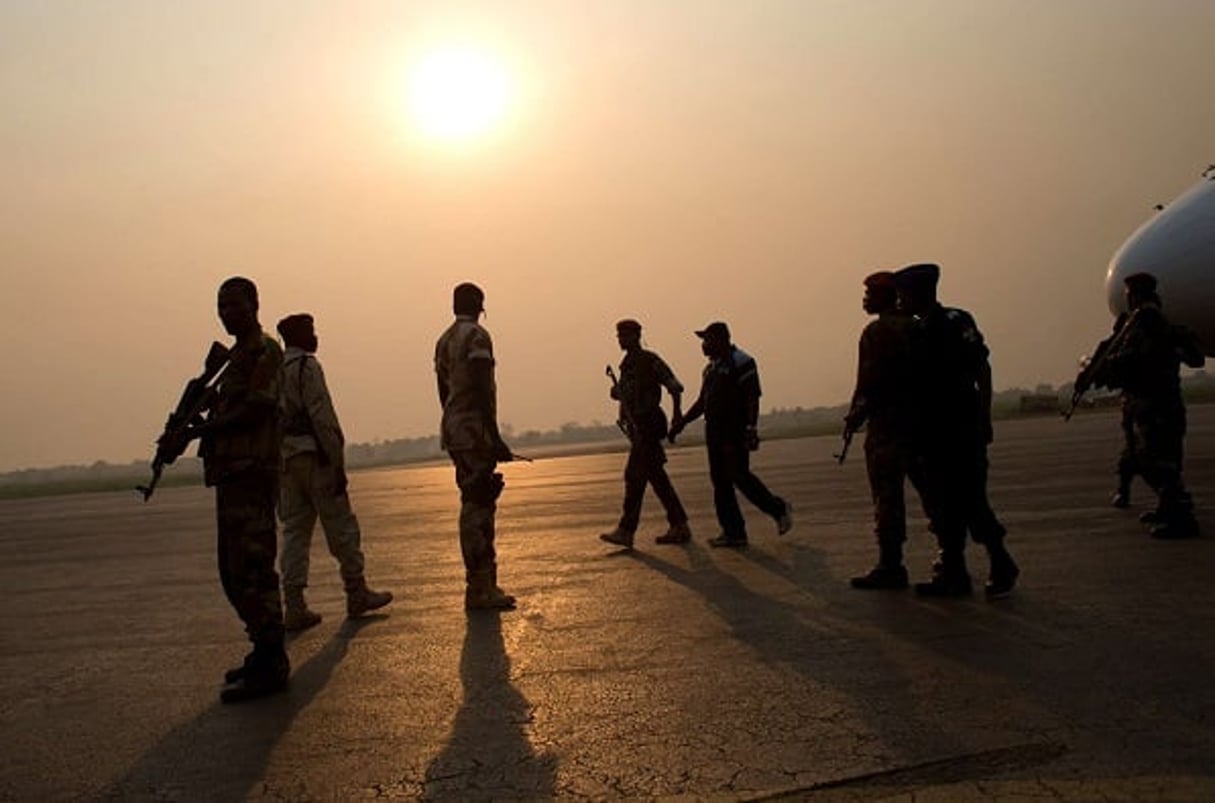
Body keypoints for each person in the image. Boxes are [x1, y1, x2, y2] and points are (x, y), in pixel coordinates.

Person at [172, 277, 290, 702]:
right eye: (220, 306)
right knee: (233, 568)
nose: (226, 313)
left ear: (255, 305)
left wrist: (197, 429)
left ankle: (273, 660)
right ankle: (261, 647)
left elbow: (255, 409)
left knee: (255, 564)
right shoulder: (233, 358)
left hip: (253, 470)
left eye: (234, 305)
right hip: (231, 474)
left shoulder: (265, 351)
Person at [893, 264, 1018, 599]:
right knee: (942, 506)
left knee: (970, 500)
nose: (899, 299)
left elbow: (982, 369)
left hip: (958, 430)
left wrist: (983, 418)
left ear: (919, 292)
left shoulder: (953, 322)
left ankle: (1000, 561)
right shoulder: (917, 330)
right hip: (931, 434)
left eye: (903, 292)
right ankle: (954, 573)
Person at [276, 313, 393, 631]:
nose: (316, 335)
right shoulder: (307, 367)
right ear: (298, 335)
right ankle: (356, 592)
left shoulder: (274, 372)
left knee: (294, 535)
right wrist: (336, 461)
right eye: (310, 330)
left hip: (286, 463)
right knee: (341, 528)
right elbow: (322, 417)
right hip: (316, 459)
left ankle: (295, 605)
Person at [669, 321, 792, 548]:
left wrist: (751, 428)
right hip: (713, 431)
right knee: (720, 482)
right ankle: (733, 532)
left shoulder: (742, 362)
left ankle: (778, 508)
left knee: (739, 475)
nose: (704, 345)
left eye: (707, 340)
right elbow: (702, 403)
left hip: (734, 430)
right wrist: (682, 423)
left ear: (722, 339)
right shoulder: (710, 369)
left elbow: (752, 397)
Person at [435, 282, 517, 610]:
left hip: (455, 429)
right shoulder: (477, 337)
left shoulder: (444, 340)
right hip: (475, 430)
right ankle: (481, 587)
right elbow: (483, 384)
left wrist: (454, 418)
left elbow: (442, 388)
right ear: (480, 304)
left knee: (472, 499)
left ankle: (480, 585)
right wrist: (493, 434)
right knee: (479, 505)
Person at [1103, 272, 1200, 539]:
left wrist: (1111, 367)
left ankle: (1182, 518)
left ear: (1135, 295)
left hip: (1157, 405)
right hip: (1152, 403)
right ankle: (1168, 508)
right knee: (1150, 458)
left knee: (1158, 462)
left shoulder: (1148, 323)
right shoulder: (1146, 322)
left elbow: (1139, 359)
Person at [844, 272, 914, 589]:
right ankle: (952, 564)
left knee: (887, 497)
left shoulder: (877, 331)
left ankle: (891, 565)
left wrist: (855, 415)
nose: (865, 299)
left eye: (871, 293)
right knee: (937, 495)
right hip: (922, 424)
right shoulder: (918, 326)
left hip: (888, 427)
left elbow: (870, 382)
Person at [599, 319, 693, 549]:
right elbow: (626, 394)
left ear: (637, 336)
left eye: (626, 335)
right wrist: (618, 394)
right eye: (619, 335)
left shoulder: (650, 361)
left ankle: (626, 530)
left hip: (648, 425)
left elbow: (675, 386)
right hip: (636, 426)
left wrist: (677, 415)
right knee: (655, 477)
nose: (621, 339)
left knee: (634, 476)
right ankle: (679, 525)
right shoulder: (626, 365)